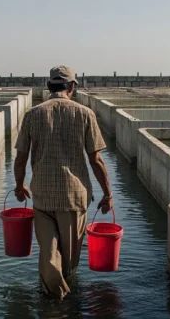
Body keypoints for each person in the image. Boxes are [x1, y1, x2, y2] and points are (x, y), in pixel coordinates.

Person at [13, 65, 113, 299]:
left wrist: (19, 185)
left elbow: (20, 157)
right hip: (74, 198)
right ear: (72, 87)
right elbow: (96, 160)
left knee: (48, 255)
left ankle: (52, 298)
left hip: (43, 196)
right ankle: (64, 301)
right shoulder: (85, 113)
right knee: (69, 261)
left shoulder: (33, 114)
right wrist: (107, 194)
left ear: (49, 87)